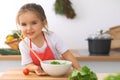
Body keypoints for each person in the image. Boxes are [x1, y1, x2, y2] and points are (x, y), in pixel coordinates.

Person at [16, 3, 80, 75]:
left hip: (57, 74)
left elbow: (67, 54)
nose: (29, 28)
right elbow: (28, 64)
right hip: (39, 76)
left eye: (34, 23)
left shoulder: (52, 37)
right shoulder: (23, 45)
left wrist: (79, 69)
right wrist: (35, 68)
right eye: (24, 24)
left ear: (43, 23)